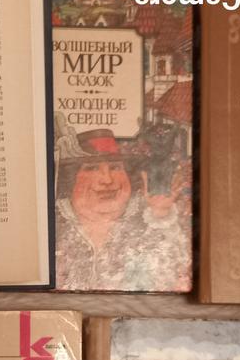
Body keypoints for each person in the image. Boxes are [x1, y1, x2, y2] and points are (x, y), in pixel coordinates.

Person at [54, 124, 186, 291]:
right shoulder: (51, 222)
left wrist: (161, 214)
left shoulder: (152, 219)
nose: (107, 180)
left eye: (115, 167)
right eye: (92, 168)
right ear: (70, 178)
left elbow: (173, 275)